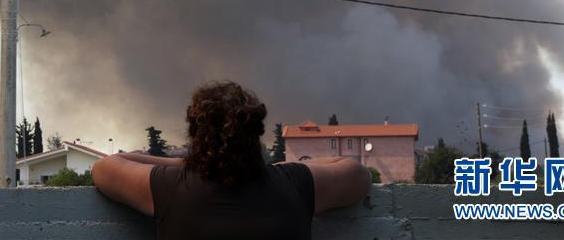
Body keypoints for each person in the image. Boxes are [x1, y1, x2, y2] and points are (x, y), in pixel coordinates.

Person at [92, 81, 370, 239]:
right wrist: (275, 168)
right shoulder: (294, 184)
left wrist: (190, 163)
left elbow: (105, 168)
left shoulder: (171, 188)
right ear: (255, 132)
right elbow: (356, 173)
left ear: (195, 133)